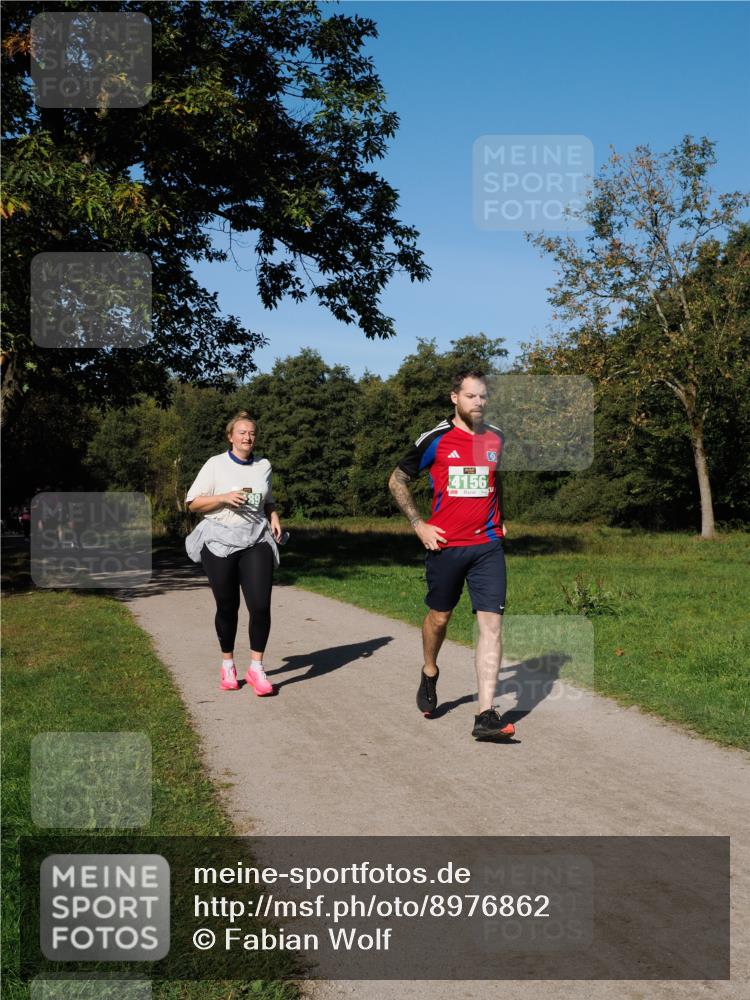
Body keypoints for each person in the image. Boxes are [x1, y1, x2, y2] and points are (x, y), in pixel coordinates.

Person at [388, 370, 515, 741]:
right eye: (471, 396)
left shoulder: (496, 437)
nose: (478, 403)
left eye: (483, 397)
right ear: (454, 398)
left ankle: (485, 714)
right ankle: (429, 670)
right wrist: (418, 524)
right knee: (439, 618)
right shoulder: (435, 439)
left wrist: (501, 517)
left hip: (487, 546)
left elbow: (495, 479)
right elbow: (397, 479)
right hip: (445, 546)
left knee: (491, 625)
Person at [185, 411, 284, 695]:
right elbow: (192, 502)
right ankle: (227, 664)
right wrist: (223, 498)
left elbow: (267, 498)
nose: (247, 437)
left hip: (256, 539)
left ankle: (257, 668)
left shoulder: (263, 465)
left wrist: (273, 514)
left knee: (260, 605)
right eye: (241, 432)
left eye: (251, 433)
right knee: (228, 607)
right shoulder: (215, 465)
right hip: (219, 540)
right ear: (231, 437)